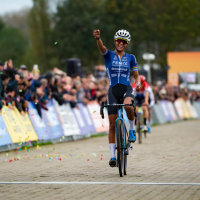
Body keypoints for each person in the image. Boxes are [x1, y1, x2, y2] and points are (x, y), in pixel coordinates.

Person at [93, 29, 141, 167]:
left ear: (127, 44)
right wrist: (98, 38)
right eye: (119, 40)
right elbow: (102, 48)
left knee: (127, 106)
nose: (121, 43)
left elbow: (136, 75)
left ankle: (131, 129)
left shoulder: (131, 57)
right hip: (113, 91)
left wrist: (137, 84)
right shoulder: (109, 55)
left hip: (126, 88)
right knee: (112, 125)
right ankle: (113, 156)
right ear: (115, 41)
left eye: (124, 42)